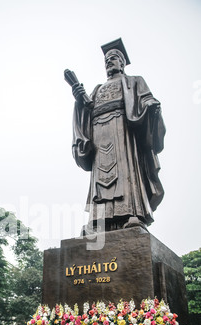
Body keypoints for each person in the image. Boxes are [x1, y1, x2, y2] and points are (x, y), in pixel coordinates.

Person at [70, 38, 165, 233]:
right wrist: (80, 102)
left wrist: (150, 106)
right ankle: (99, 221)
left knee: (126, 172)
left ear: (121, 62)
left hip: (123, 131)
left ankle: (133, 214)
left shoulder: (134, 81)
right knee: (101, 176)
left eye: (113, 58)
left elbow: (147, 100)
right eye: (106, 60)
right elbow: (86, 113)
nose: (109, 62)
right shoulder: (97, 89)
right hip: (98, 133)